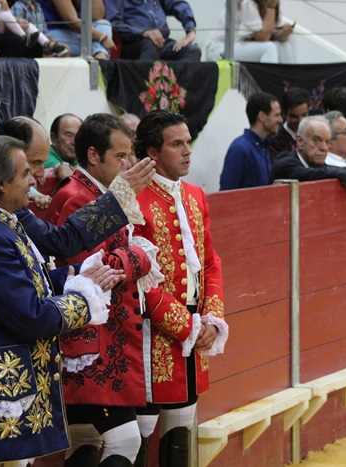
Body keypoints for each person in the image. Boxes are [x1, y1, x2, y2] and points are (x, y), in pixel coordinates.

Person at [0, 135, 124, 465]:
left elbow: (27, 282)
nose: (35, 180)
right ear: (0, 182)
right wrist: (83, 297)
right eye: (27, 172)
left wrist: (74, 276)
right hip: (8, 386)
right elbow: (30, 315)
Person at [47, 114, 162, 467]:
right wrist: (137, 256)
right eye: (120, 156)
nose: (128, 165)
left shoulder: (97, 192)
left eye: (130, 155)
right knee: (124, 441)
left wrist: (133, 254)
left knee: (85, 439)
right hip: (93, 341)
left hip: (103, 338)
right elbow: (91, 271)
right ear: (94, 155)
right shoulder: (75, 196)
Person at [132, 110, 228, 466]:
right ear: (153, 152)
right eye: (177, 144)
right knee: (140, 430)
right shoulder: (134, 199)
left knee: (182, 424)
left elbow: (210, 262)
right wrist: (188, 327)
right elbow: (142, 279)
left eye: (188, 142)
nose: (188, 151)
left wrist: (212, 320)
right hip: (148, 331)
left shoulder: (195, 195)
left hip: (194, 328)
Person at [0, 116, 157, 259]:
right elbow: (64, 244)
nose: (41, 173)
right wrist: (139, 255)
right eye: (35, 163)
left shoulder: (12, 206)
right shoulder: (75, 196)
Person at [269, 115, 346, 203]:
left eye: (327, 142)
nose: (324, 148)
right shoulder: (285, 165)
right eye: (316, 140)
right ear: (300, 141)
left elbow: (338, 169)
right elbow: (317, 173)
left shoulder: (315, 163)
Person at [219, 91, 282, 190]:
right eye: (276, 115)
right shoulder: (240, 149)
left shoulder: (264, 146)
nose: (280, 120)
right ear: (262, 116)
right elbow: (227, 191)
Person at [0, 0, 68, 57]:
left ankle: (46, 44)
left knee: (27, 25)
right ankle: (24, 38)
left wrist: (3, 3)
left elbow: (9, 19)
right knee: (4, 16)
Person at [105, 0, 200, 61]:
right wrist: (143, 32)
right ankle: (145, 87)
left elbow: (178, 4)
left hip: (162, 41)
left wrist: (190, 30)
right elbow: (114, 24)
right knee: (150, 46)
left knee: (192, 51)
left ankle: (178, 87)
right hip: (132, 43)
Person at [206, 0, 294, 63]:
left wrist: (284, 34)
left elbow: (272, 33)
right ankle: (267, 84)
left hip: (237, 47)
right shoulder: (246, 3)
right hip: (219, 50)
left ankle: (291, 82)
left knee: (284, 46)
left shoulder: (265, 4)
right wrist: (271, 7)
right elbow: (264, 37)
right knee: (269, 48)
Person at [38, 0, 115, 59]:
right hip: (53, 35)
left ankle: (100, 55)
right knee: (100, 45)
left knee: (104, 24)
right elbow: (72, 21)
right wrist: (103, 37)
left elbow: (97, 16)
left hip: (75, 35)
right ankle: (100, 58)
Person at [269, 87, 310, 162]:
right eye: (294, 116)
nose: (300, 121)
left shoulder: (314, 135)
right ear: (284, 114)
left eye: (304, 115)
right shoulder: (275, 141)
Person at [45, 113, 82, 181]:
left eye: (79, 136)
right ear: (53, 138)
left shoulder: (78, 157)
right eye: (69, 135)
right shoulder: (45, 158)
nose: (74, 142)